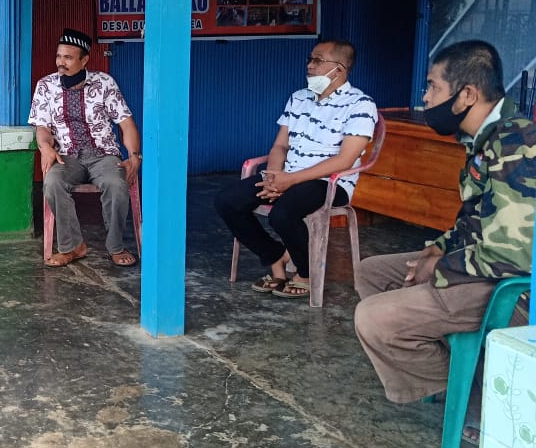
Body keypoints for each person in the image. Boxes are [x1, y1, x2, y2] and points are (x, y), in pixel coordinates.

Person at [354, 40, 535, 403]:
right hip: (483, 269)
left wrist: (440, 267)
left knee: (374, 319)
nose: (426, 98)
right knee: (372, 273)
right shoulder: (485, 139)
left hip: (515, 292)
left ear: (467, 94)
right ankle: (459, 372)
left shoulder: (515, 145)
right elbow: (475, 220)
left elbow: (513, 257)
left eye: (433, 87)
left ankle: (480, 401)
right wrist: (438, 248)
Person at [214, 39, 378, 299]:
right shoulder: (299, 98)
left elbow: (345, 160)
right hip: (287, 176)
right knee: (227, 201)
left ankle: (306, 272)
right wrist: (273, 177)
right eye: (310, 59)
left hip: (328, 182)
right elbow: (280, 145)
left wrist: (290, 181)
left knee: (283, 214)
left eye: (318, 60)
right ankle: (276, 256)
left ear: (339, 69)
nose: (310, 66)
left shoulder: (361, 104)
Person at [29, 28, 141, 267]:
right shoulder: (46, 86)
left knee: (116, 184)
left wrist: (134, 156)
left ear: (84, 60)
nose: (61, 63)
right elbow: (42, 127)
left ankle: (116, 246)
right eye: (59, 56)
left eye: (68, 58)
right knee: (53, 183)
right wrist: (45, 147)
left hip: (103, 155)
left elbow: (126, 123)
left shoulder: (104, 83)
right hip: (66, 156)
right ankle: (73, 247)